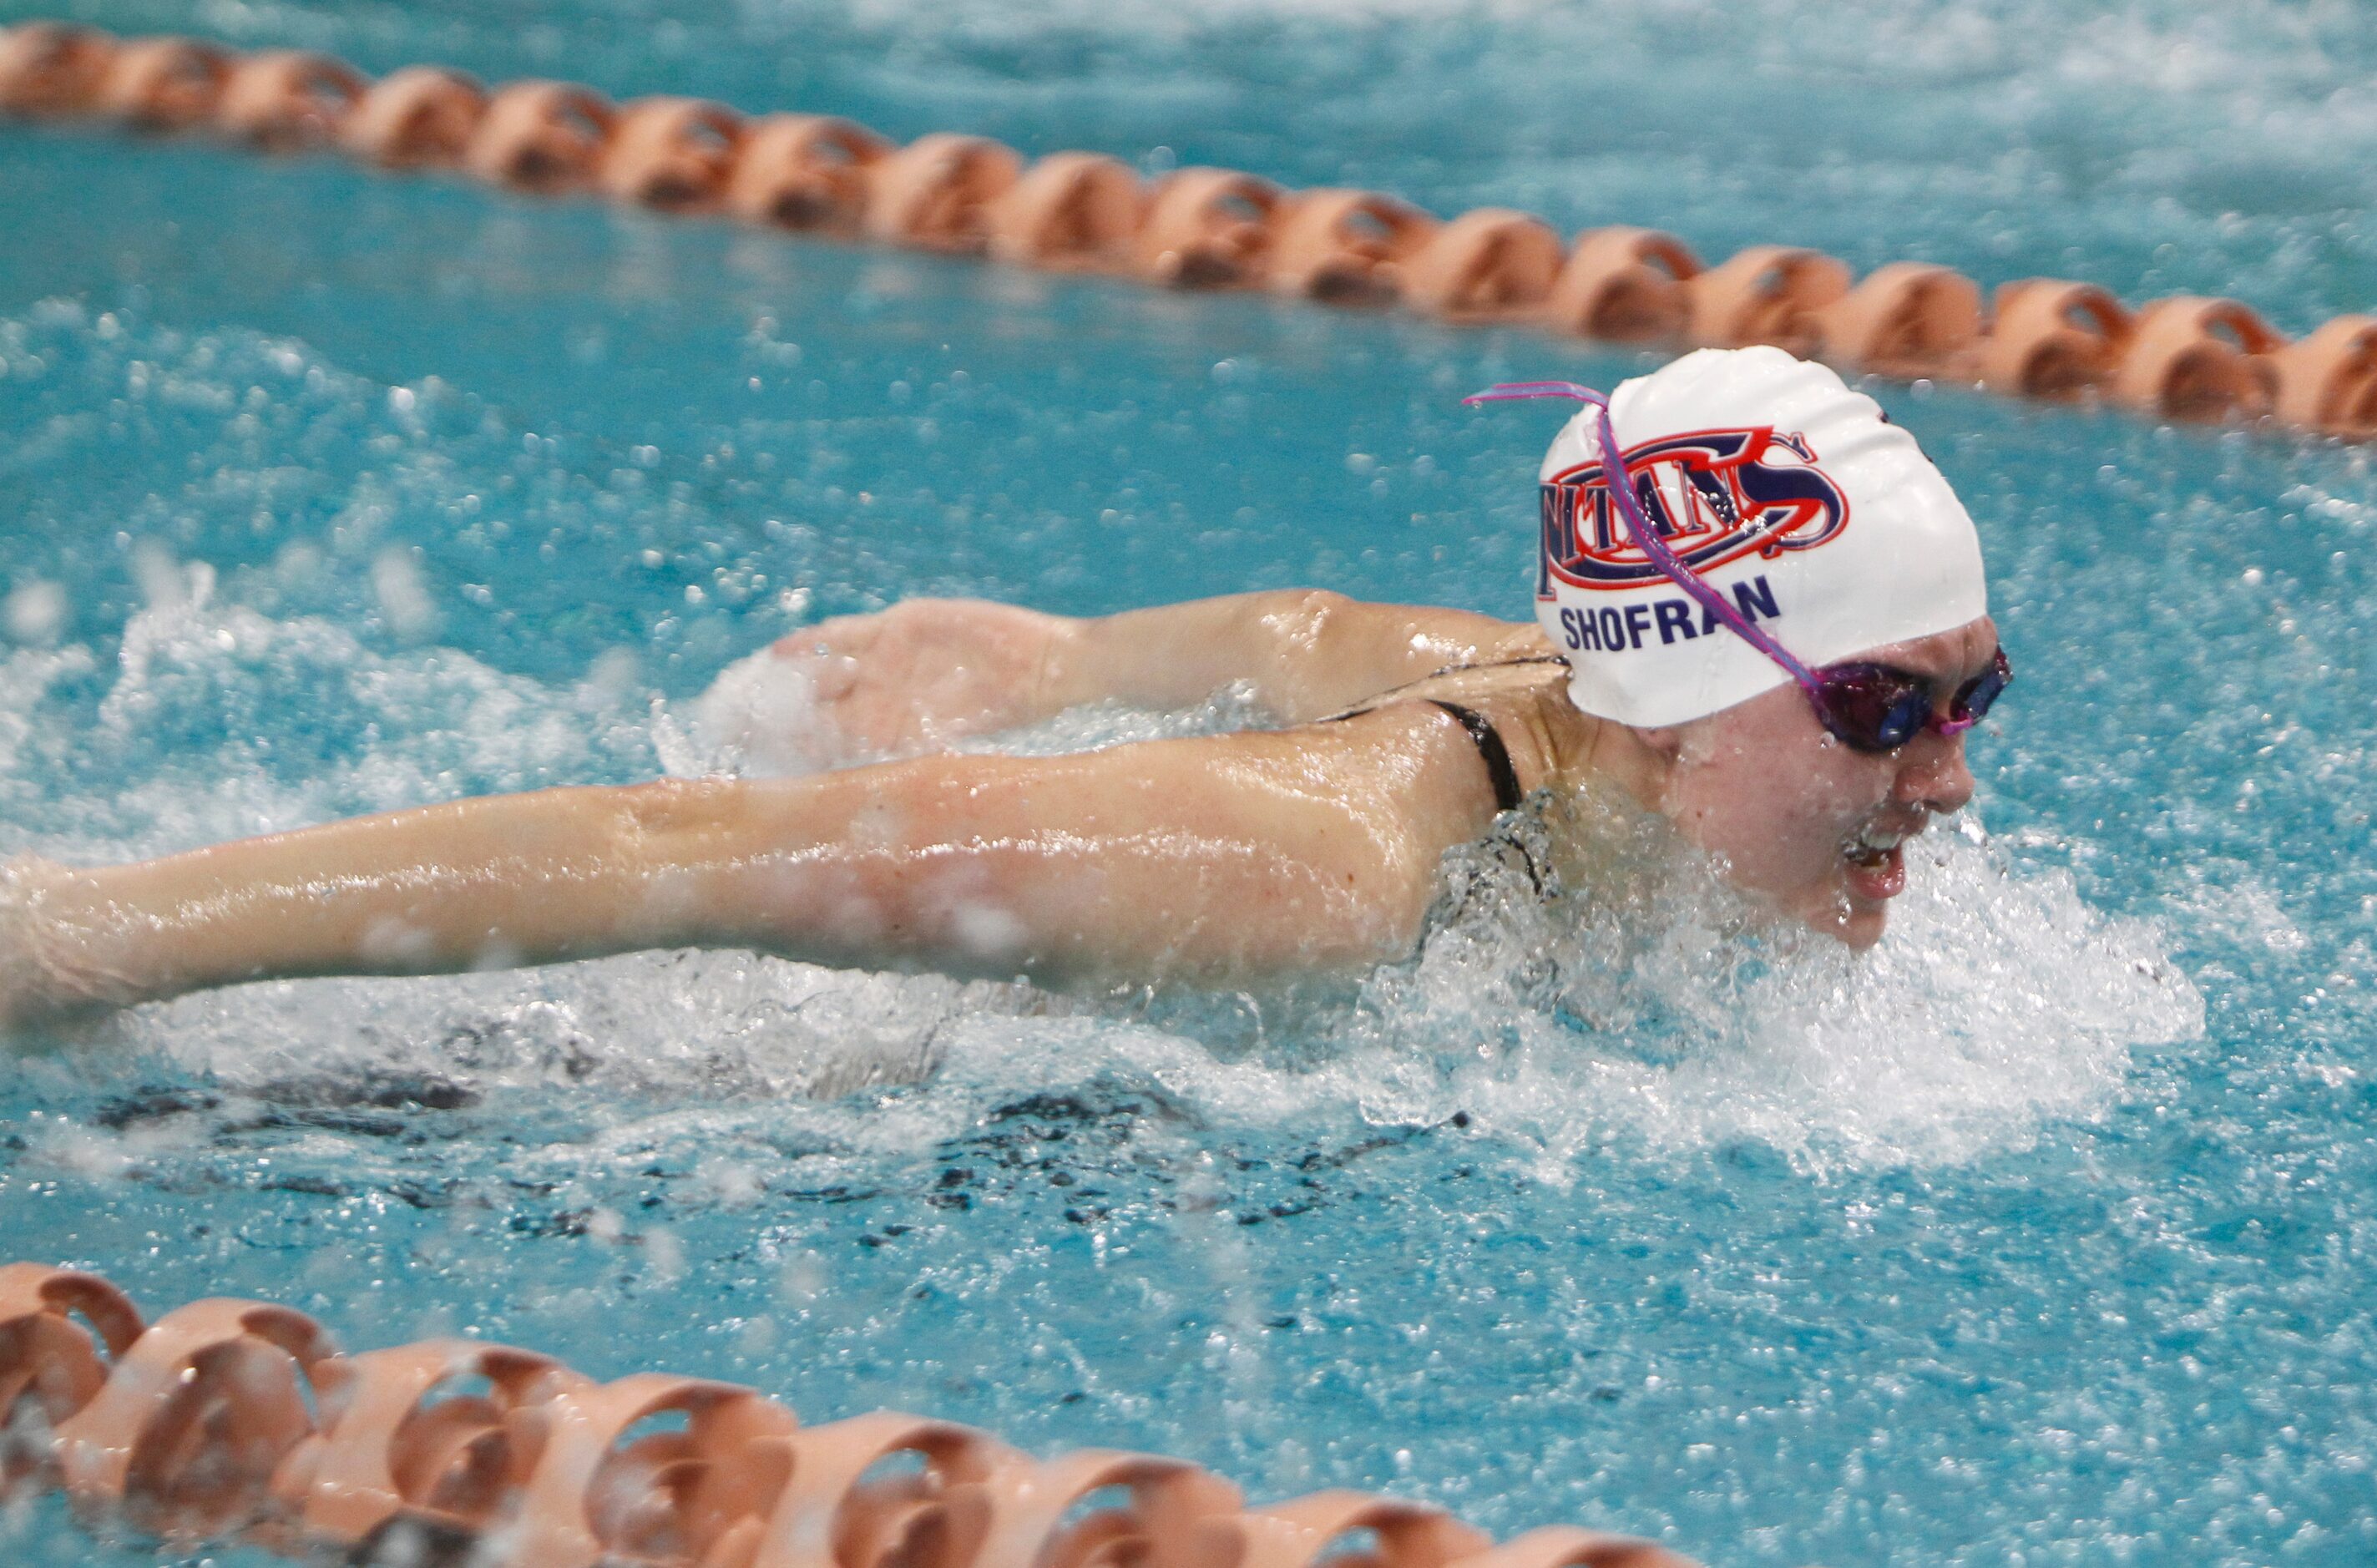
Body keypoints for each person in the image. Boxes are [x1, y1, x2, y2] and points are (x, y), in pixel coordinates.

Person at [0, 347, 2005, 1032]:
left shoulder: (1564, 703)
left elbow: (1305, 626)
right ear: (1662, 712)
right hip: (607, 1058)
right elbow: (677, 849)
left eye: (1971, 700)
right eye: (1879, 712)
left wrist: (1035, 660)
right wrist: (84, 936)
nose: (1948, 786)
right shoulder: (1301, 874)